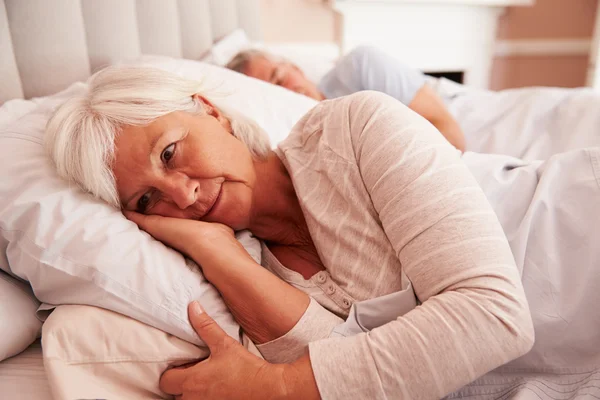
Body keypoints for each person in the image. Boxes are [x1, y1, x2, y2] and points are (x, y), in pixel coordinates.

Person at [44, 65, 536, 399]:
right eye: (148, 200)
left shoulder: (355, 127)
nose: (184, 196)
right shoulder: (250, 271)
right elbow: (346, 373)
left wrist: (275, 387)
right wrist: (221, 256)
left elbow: (494, 315)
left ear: (211, 112)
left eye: (170, 152)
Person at [227, 46, 466, 151]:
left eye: (279, 79)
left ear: (294, 67)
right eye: (274, 94)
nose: (286, 93)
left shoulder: (360, 66)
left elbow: (449, 132)